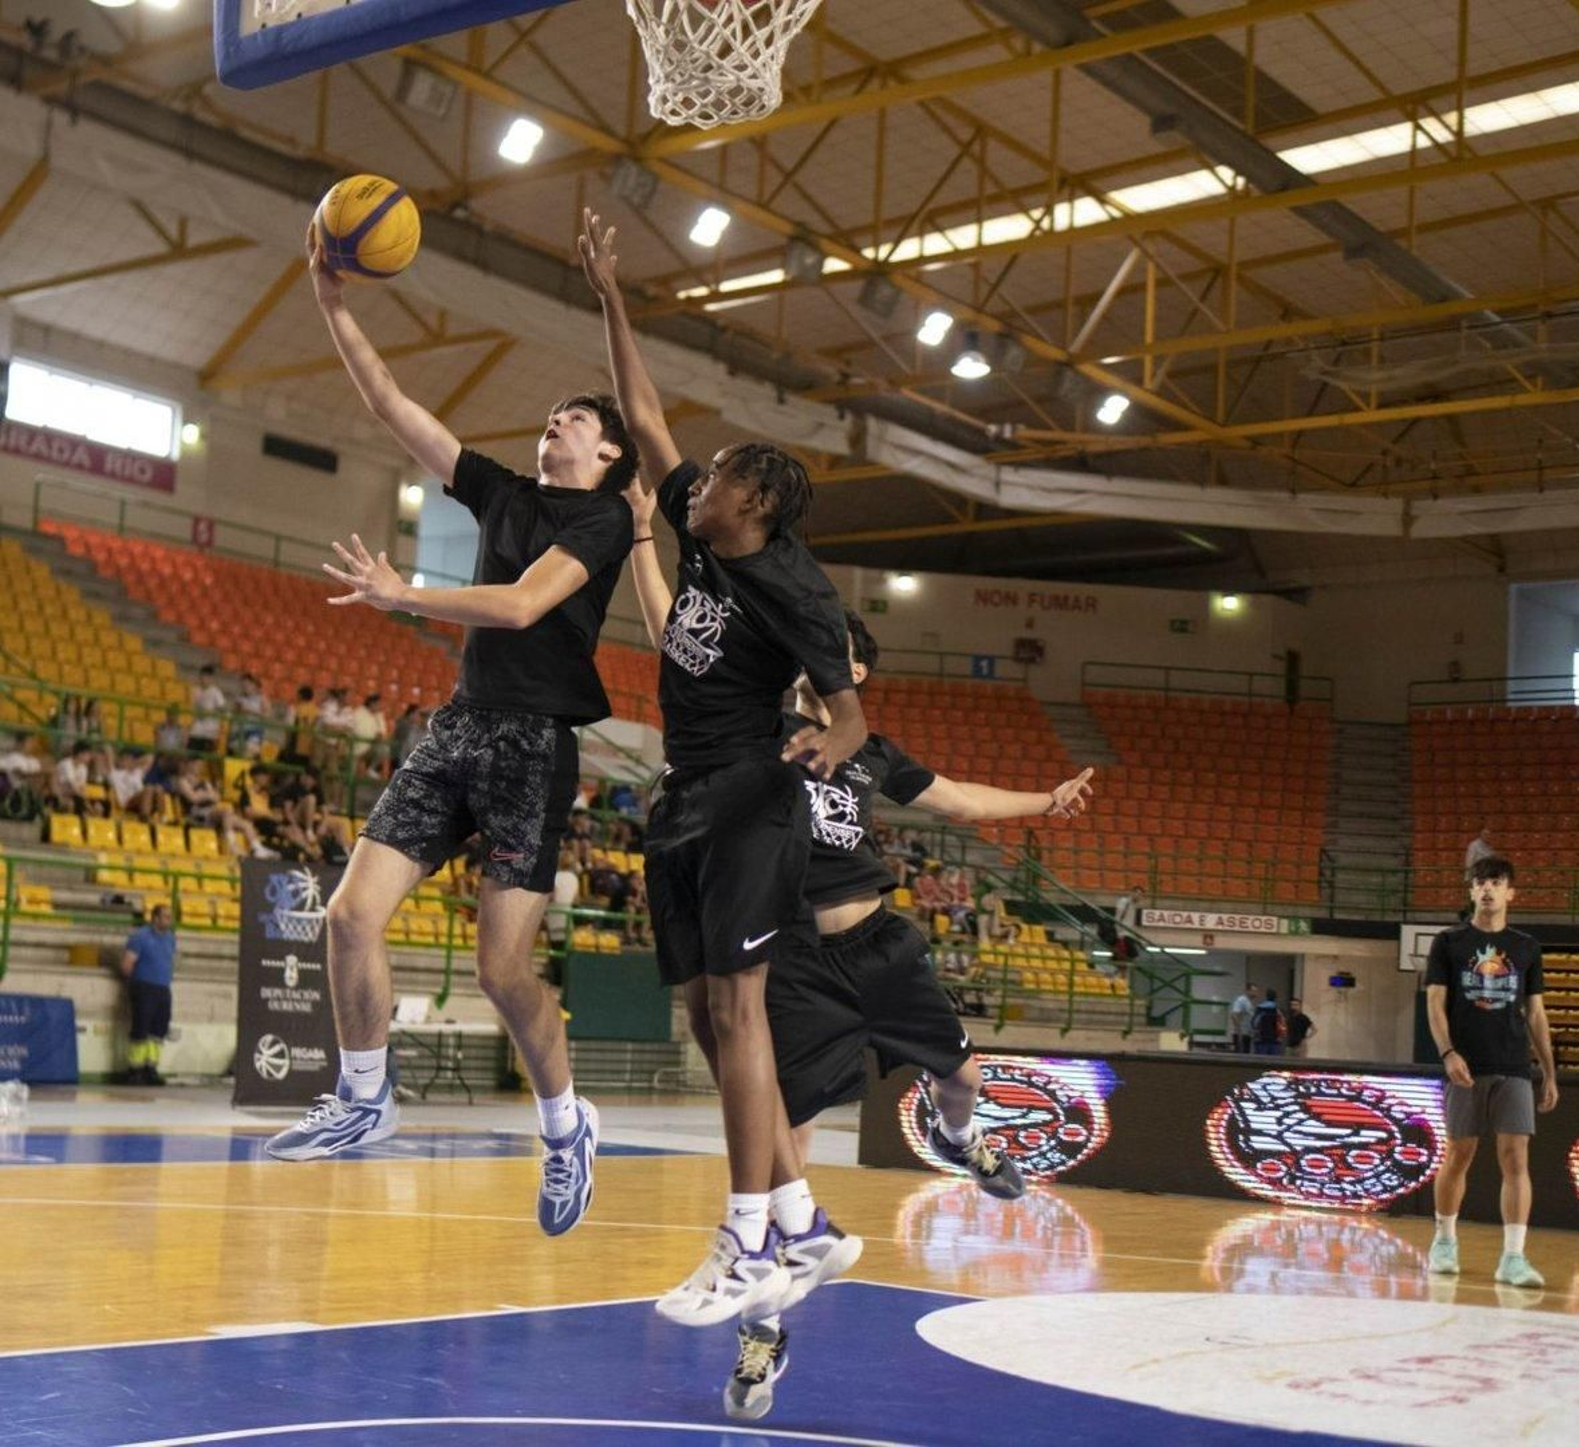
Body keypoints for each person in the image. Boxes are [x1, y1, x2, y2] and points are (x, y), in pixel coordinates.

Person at [265, 219, 637, 1249]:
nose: (553, 423)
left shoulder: (604, 520)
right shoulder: (502, 490)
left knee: (501, 974)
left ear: (607, 454)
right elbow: (391, 404)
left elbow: (520, 606)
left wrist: (402, 594)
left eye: (573, 418)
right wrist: (333, 300)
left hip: (535, 747)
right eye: (552, 415)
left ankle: (565, 1126)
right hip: (461, 726)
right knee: (349, 914)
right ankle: (363, 1096)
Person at [692, 609, 1092, 1421]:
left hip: (881, 948)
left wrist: (1046, 799)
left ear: (856, 674)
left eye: (831, 648)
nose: (810, 653)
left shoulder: (872, 751)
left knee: (964, 1077)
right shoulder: (763, 731)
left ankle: (958, 1138)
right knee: (781, 1155)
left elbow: (961, 801)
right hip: (798, 963)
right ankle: (761, 1333)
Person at [583, 207, 868, 1331]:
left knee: (740, 1012)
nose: (692, 483)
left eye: (716, 480)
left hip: (753, 794)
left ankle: (747, 1244)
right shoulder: (704, 535)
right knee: (706, 1016)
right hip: (686, 795)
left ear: (753, 500)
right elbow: (647, 419)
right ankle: (802, 1219)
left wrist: (826, 744)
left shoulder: (796, 589)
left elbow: (850, 713)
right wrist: (613, 297)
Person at [1425, 855, 1557, 1289]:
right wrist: (1448, 1052)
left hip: (1514, 1066)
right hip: (1465, 1063)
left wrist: (1549, 1071)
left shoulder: (1526, 947)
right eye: (1480, 881)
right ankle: (1444, 1241)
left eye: (1496, 882)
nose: (1487, 888)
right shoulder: (1449, 942)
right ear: (1471, 890)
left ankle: (1513, 1258)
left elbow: (1535, 1014)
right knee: (1459, 1154)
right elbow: (1435, 1003)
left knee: (1516, 1157)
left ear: (1510, 892)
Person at [120, 902, 176, 1086]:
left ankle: (150, 1068)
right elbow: (127, 964)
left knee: (158, 1030)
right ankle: (134, 1069)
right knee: (141, 1028)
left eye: (170, 917)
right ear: (155, 918)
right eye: (166, 916)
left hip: (162, 988)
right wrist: (134, 985)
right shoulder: (140, 937)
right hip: (144, 987)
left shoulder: (170, 938)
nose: (169, 920)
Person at [189, 665, 228, 755]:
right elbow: (195, 708)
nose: (204, 679)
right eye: (202, 676)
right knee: (191, 756)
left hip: (210, 732)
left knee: (207, 758)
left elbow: (223, 709)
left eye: (206, 677)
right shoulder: (196, 691)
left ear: (211, 678)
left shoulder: (216, 692)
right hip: (197, 730)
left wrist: (210, 712)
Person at [1252, 987, 1284, 1056]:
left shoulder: (1259, 1008)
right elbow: (1282, 1025)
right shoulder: (1278, 1010)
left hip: (1261, 1039)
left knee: (1261, 1060)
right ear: (1275, 997)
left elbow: (1254, 1023)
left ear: (1266, 996)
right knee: (1274, 1061)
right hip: (1275, 1040)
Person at [1228, 982, 1258, 1054]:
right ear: (1247, 991)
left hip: (1247, 1034)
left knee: (1246, 1054)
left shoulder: (1250, 1002)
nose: (1255, 993)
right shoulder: (1241, 1000)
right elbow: (1234, 1015)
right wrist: (1239, 1032)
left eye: (1256, 991)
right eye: (1253, 991)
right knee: (1241, 1055)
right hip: (1241, 1034)